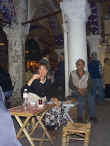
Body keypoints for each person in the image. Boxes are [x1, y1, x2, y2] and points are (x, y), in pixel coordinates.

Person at [22, 62, 67, 130]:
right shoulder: (34, 80)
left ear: (46, 71)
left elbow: (50, 93)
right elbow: (23, 91)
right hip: (33, 101)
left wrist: (54, 98)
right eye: (40, 69)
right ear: (38, 71)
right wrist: (32, 79)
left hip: (42, 101)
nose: (42, 71)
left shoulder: (48, 81)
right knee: (49, 106)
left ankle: (56, 124)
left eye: (44, 69)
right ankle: (49, 125)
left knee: (59, 104)